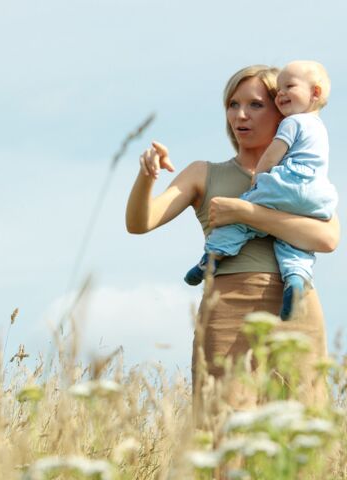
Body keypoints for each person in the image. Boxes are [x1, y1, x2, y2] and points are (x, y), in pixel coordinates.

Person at [125, 65, 340, 413]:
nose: (241, 115)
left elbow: (328, 238)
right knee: (224, 436)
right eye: (232, 104)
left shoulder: (303, 175)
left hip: (296, 310)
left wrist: (245, 213)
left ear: (282, 108)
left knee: (299, 438)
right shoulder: (204, 173)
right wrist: (146, 176)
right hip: (226, 309)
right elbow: (140, 223)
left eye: (256, 104)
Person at [185, 61, 338, 320]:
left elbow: (273, 154)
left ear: (315, 92)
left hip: (287, 182)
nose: (282, 94)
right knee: (293, 243)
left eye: (289, 87)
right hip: (317, 191)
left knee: (242, 218)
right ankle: (297, 277)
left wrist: (259, 178)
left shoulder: (292, 123)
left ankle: (212, 255)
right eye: (279, 90)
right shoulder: (321, 129)